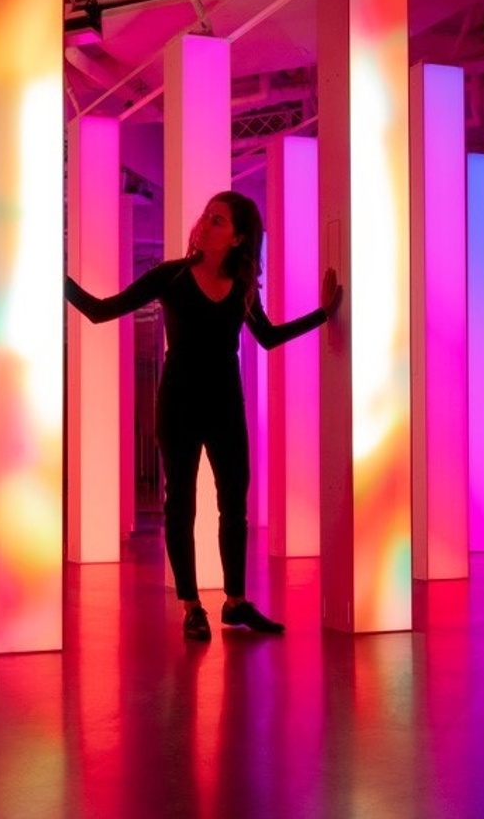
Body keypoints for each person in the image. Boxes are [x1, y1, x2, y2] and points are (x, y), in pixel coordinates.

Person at [65, 190, 342, 641]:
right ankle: (192, 606)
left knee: (234, 505)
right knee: (182, 505)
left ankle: (235, 602)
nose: (204, 224)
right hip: (178, 402)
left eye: (217, 221)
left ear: (236, 239)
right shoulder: (171, 276)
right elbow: (101, 311)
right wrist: (56, 279)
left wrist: (325, 314)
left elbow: (268, 338)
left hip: (225, 404)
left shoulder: (242, 288)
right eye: (206, 215)